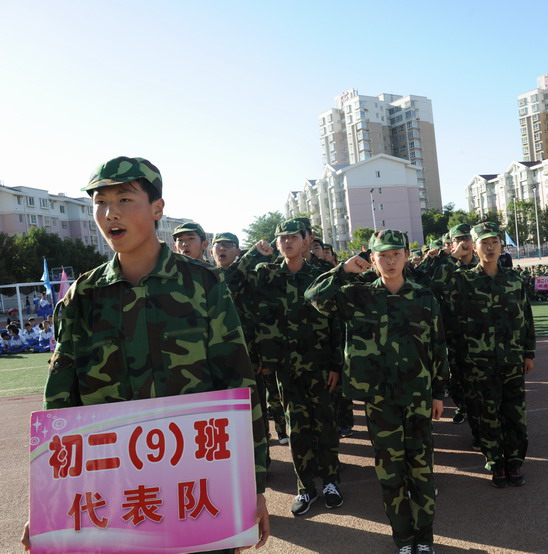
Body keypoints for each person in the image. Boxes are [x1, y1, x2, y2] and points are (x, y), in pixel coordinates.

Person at [21, 156, 269, 553]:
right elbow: (60, 404)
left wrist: (252, 484)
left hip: (196, 484)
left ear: (157, 209)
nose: (110, 213)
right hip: (114, 494)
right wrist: (49, 501)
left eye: (124, 199)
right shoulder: (83, 297)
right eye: (100, 202)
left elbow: (238, 383)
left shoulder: (203, 284)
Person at [305, 229, 448, 554]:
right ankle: (404, 540)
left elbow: (438, 346)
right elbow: (314, 297)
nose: (391, 260)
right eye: (383, 255)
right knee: (390, 474)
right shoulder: (358, 295)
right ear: (372, 259)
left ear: (407, 256)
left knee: (422, 472)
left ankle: (424, 540)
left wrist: (438, 392)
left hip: (417, 397)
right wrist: (342, 270)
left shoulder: (424, 297)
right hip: (380, 401)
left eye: (396, 253)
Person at [230, 219, 344, 516]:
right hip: (285, 366)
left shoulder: (319, 276)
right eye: (282, 237)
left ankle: (330, 482)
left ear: (306, 240)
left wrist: (336, 364)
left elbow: (336, 322)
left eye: (294, 236)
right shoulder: (264, 274)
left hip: (319, 364)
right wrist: (253, 254)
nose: (288, 242)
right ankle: (305, 487)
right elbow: (230, 283)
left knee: (325, 424)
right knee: (297, 428)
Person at [445, 222, 535, 488]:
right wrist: (453, 256)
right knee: (487, 415)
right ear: (474, 246)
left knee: (515, 414)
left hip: (512, 360)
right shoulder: (462, 280)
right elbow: (436, 291)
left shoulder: (514, 279)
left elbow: (526, 319)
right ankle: (496, 463)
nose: (491, 247)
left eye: (495, 241)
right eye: (484, 242)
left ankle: (514, 462)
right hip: (478, 363)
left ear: (501, 245)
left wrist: (528, 353)